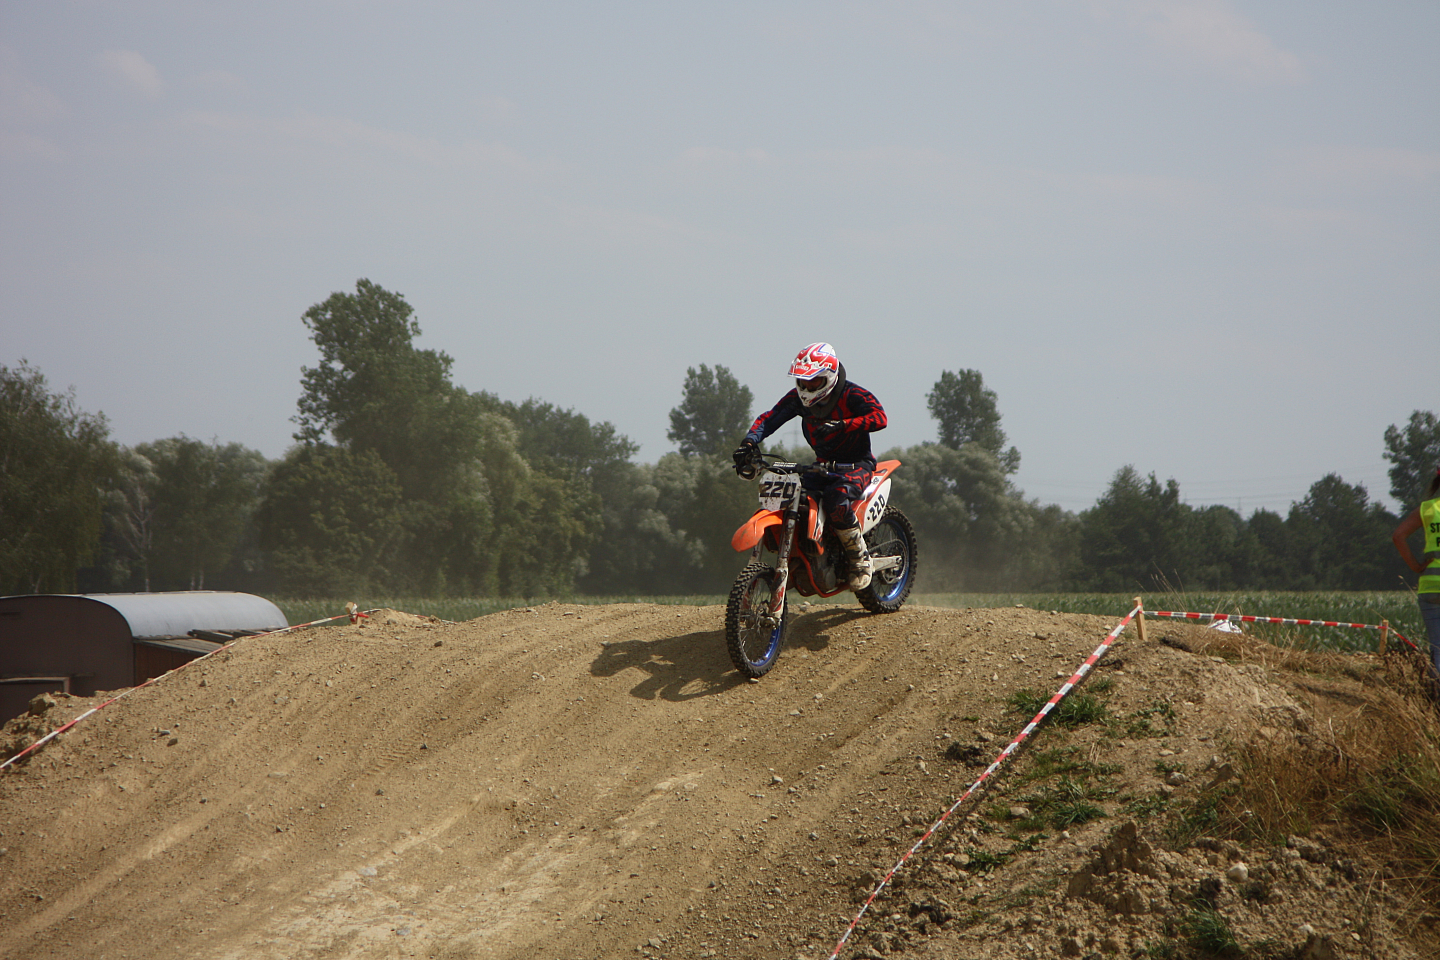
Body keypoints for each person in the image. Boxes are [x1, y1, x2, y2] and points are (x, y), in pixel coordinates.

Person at [732, 342, 887, 590]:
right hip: (822, 465)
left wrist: (844, 425)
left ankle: (860, 560)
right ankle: (803, 555)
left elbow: (880, 417)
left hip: (856, 465)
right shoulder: (797, 399)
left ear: (829, 377)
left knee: (837, 500)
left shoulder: (853, 394)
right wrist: (749, 442)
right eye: (803, 381)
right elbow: (770, 418)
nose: (807, 388)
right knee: (792, 494)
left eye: (813, 381)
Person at [1392, 465, 1440, 680]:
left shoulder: (1428, 509)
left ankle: (1435, 692)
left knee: (1437, 645)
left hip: (1430, 587)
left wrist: (1415, 566)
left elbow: (1398, 536)